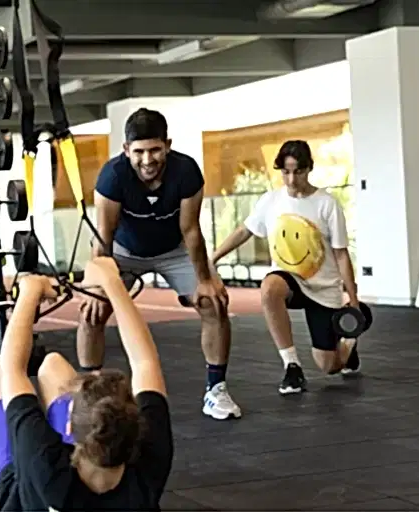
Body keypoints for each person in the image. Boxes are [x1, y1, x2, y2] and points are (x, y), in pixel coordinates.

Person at [0, 257, 174, 511]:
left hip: (20, 494)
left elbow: (12, 368)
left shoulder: (43, 462)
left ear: (69, 428)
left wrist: (30, 291)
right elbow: (145, 362)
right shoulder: (149, 462)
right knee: (53, 364)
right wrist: (112, 283)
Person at [77, 107, 241, 421]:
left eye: (154, 150)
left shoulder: (186, 171)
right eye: (139, 152)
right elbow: (103, 236)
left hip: (173, 250)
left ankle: (216, 389)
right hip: (123, 251)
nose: (147, 160)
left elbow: (190, 230)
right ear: (126, 150)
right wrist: (96, 285)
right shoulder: (112, 177)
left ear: (167, 145)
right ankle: (89, 394)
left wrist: (205, 280)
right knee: (91, 311)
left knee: (214, 303)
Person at [212, 140, 361, 396]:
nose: (291, 180)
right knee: (270, 287)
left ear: (309, 169)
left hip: (323, 288)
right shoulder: (271, 201)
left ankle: (348, 344)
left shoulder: (326, 204)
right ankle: (291, 366)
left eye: (298, 172)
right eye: (286, 172)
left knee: (329, 366)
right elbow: (244, 231)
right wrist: (212, 258)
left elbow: (341, 254)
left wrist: (354, 301)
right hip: (290, 281)